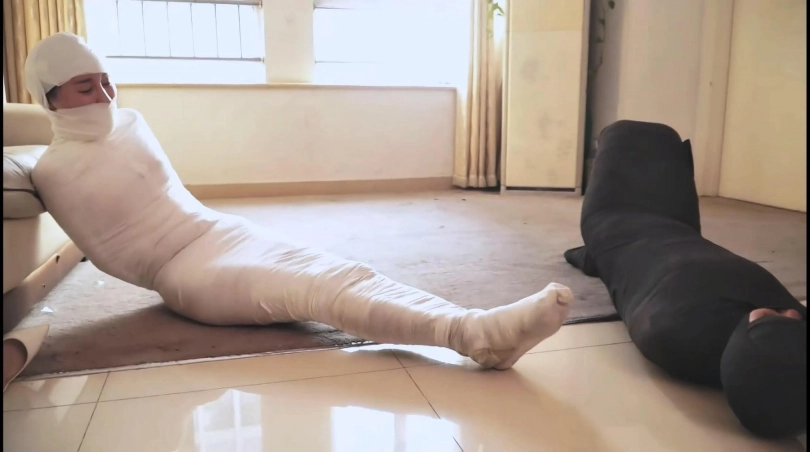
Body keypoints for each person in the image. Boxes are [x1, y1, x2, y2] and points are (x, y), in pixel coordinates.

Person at [22, 32, 573, 371]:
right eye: (86, 87)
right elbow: (113, 257)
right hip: (184, 273)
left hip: (219, 229)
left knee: (343, 272)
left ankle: (472, 328)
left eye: (107, 82)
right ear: (50, 98)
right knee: (316, 291)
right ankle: (474, 335)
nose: (105, 97)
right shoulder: (55, 171)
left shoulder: (132, 122)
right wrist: (163, 264)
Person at [564, 120, 806, 438]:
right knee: (664, 139)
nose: (791, 311)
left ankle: (597, 257)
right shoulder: (769, 355)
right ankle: (597, 258)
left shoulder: (671, 334)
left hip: (617, 221)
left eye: (772, 319)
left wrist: (609, 257)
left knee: (628, 134)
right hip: (680, 226)